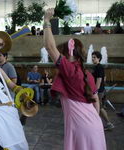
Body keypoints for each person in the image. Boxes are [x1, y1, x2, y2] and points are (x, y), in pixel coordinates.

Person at [43, 8, 106, 150]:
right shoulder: (86, 74)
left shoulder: (70, 69)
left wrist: (46, 21)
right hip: (95, 125)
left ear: (70, 53)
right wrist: (90, 121)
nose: (62, 55)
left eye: (64, 52)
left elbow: (49, 47)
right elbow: (96, 103)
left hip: (81, 128)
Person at [92, 51, 114, 130]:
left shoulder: (99, 67)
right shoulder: (98, 67)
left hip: (98, 91)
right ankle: (105, 123)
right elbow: (104, 78)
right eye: (92, 57)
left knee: (99, 107)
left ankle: (107, 123)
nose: (92, 59)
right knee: (99, 107)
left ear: (99, 58)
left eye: (94, 57)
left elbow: (99, 80)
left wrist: (95, 91)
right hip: (100, 90)